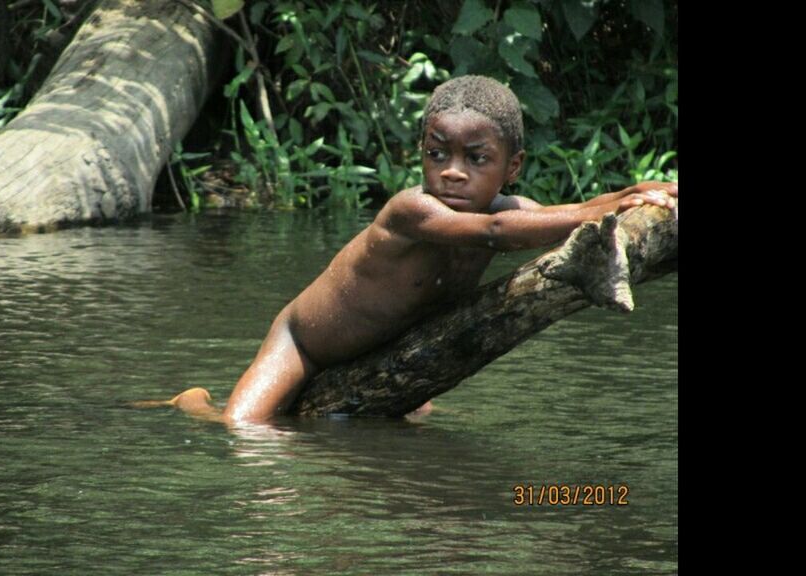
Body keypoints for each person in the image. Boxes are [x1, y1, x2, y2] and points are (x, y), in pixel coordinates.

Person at [163, 75, 677, 425]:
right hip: (303, 343)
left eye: (476, 159)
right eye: (438, 154)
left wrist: (633, 196)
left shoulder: (510, 205)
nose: (452, 171)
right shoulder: (412, 210)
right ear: (420, 156)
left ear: (512, 167)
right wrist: (601, 206)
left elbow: (552, 215)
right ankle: (194, 403)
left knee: (411, 428)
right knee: (244, 431)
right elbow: (497, 230)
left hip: (392, 347)